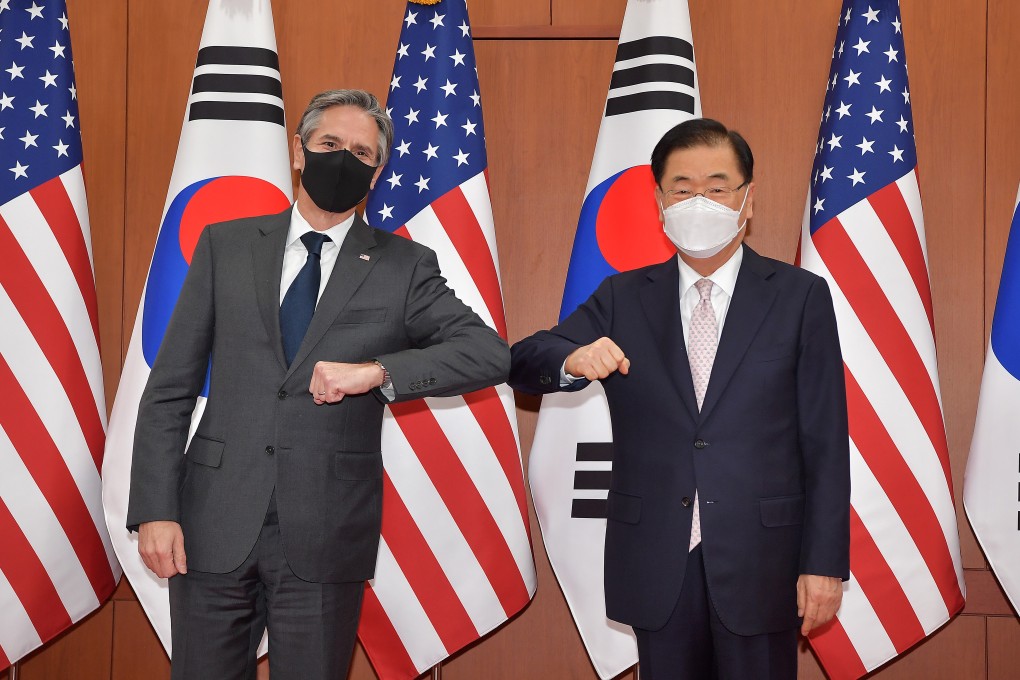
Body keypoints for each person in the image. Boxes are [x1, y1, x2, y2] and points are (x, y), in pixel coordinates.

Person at [127, 89, 509, 680]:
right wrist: (154, 509)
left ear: (377, 172)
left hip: (326, 531)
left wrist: (379, 373)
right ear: (299, 151)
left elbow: (487, 353)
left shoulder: (404, 266)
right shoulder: (225, 245)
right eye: (330, 144)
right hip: (212, 522)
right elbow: (170, 388)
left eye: (361, 152)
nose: (343, 159)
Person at [509, 118, 850, 679]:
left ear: (748, 198)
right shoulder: (624, 296)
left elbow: (825, 439)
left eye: (717, 188)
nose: (700, 202)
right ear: (659, 200)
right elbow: (526, 358)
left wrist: (823, 563)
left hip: (763, 559)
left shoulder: (798, 296)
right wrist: (570, 359)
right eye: (683, 188)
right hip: (655, 556)